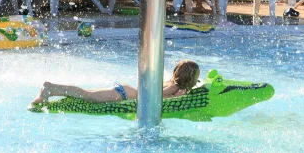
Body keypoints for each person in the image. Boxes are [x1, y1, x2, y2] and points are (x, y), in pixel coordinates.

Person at [30, 59, 200, 104]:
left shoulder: (172, 83)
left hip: (126, 91)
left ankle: (52, 88)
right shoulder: (175, 87)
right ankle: (49, 89)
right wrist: (174, 97)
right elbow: (154, 97)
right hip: (125, 94)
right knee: (86, 95)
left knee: (87, 92)